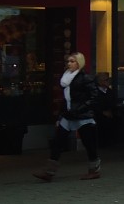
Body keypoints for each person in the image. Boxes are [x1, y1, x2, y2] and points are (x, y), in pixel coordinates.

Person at [35, 52, 103, 182]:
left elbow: (94, 97)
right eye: (68, 61)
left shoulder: (85, 78)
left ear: (79, 63)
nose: (69, 64)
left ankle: (94, 169)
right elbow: (66, 99)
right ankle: (49, 171)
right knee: (57, 142)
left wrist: (81, 108)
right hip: (68, 115)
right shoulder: (66, 78)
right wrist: (61, 115)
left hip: (83, 116)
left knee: (89, 144)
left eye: (73, 61)